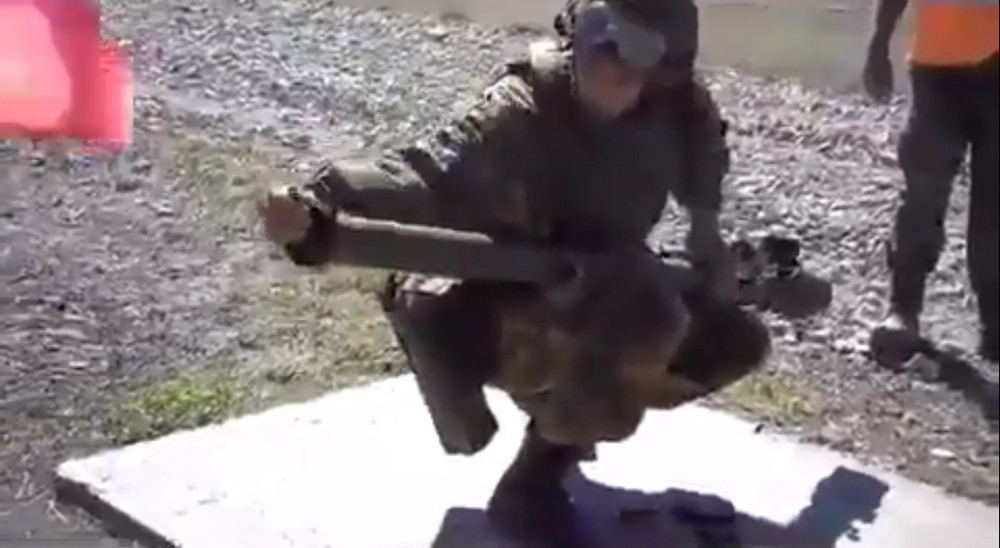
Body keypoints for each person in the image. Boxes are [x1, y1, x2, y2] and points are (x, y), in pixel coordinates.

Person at [260, 1, 770, 545]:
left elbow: (705, 156)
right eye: (599, 35)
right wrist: (319, 205)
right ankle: (529, 490)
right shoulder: (520, 109)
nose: (608, 63)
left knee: (730, 340)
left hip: (598, 287)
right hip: (476, 300)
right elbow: (422, 175)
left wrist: (707, 235)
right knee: (631, 330)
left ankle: (561, 435)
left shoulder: (678, 111)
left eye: (636, 53)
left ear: (664, 73)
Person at [864, 0, 998, 365]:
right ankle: (903, 309)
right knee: (923, 192)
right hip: (939, 69)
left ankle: (994, 326)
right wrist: (879, 42)